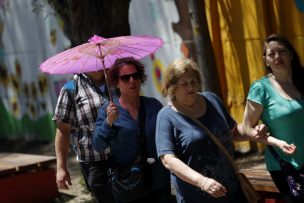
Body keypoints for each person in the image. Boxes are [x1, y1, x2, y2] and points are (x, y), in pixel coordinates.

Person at [155, 57, 280, 203]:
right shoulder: (166, 116)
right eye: (184, 84)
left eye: (193, 82)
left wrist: (253, 131)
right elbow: (168, 160)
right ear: (172, 87)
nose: (191, 87)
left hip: (231, 192)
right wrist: (203, 182)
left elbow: (233, 132)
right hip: (197, 197)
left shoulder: (212, 100)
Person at [92, 57, 172, 203]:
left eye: (136, 76)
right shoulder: (108, 111)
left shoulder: (153, 105)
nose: (132, 81)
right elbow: (98, 145)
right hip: (129, 185)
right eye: (125, 78)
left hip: (159, 182)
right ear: (116, 82)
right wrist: (108, 122)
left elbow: (169, 135)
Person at [243, 34, 304, 203]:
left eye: (282, 51)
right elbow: (247, 128)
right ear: (265, 59)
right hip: (286, 165)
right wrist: (275, 142)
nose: (278, 57)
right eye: (271, 53)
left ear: (291, 54)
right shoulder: (260, 88)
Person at [53, 70, 115, 203]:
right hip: (94, 162)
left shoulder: (117, 80)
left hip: (123, 157)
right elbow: (63, 130)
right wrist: (61, 167)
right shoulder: (71, 88)